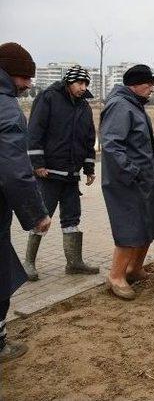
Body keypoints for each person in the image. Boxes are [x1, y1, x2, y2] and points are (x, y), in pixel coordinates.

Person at [0, 42, 51, 362]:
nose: (29, 85)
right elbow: (15, 171)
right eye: (25, 77)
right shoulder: (6, 108)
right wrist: (36, 215)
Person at [24, 65, 99, 280]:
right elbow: (35, 132)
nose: (83, 87)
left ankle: (74, 263)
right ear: (69, 82)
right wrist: (37, 164)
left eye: (86, 83)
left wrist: (89, 167)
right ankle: (28, 263)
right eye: (80, 83)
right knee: (42, 216)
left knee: (72, 218)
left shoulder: (84, 106)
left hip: (71, 175)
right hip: (48, 173)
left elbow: (87, 139)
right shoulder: (49, 98)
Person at [100, 64, 154, 300]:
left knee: (145, 226)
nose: (152, 89)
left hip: (142, 180)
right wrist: (133, 171)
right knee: (129, 228)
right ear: (134, 84)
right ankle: (116, 276)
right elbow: (112, 145)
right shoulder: (120, 106)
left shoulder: (134, 105)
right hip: (126, 182)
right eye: (148, 84)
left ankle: (134, 269)